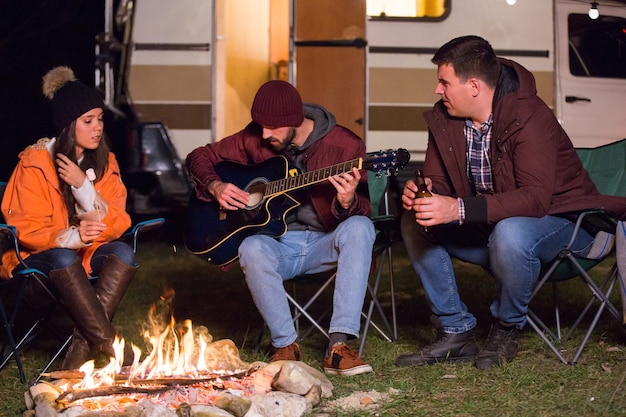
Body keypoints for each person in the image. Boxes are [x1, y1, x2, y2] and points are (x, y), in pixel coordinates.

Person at [396, 35, 626, 369]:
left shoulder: (529, 116)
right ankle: (456, 329)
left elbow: (534, 199)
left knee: (511, 232)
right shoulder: (444, 118)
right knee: (414, 222)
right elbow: (441, 180)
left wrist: (457, 208)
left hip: (566, 223)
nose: (438, 90)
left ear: (474, 86)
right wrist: (426, 191)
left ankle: (506, 327)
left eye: (444, 82)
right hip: (489, 223)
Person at [186, 80, 375, 376]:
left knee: (361, 226)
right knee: (250, 246)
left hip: (326, 242)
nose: (264, 134)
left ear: (294, 121)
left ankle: (340, 347)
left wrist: (347, 201)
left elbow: (364, 210)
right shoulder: (256, 138)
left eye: (272, 128)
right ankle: (286, 345)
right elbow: (198, 156)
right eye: (260, 126)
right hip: (280, 244)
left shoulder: (345, 145)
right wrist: (216, 185)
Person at [1, 66, 137, 370]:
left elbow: (118, 220)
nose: (97, 127)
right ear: (67, 125)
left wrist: (82, 186)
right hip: (34, 262)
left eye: (100, 118)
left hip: (82, 257)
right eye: (87, 121)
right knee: (63, 257)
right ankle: (111, 345)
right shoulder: (35, 164)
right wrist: (75, 237)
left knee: (124, 253)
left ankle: (76, 357)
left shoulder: (105, 162)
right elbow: (25, 229)